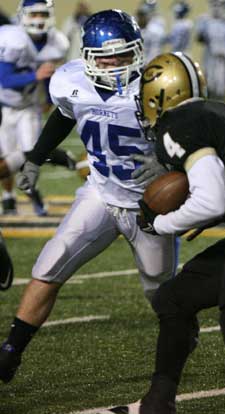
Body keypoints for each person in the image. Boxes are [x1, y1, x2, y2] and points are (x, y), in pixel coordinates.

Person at [0, 9, 178, 385]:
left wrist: (170, 168)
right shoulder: (70, 80)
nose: (114, 64)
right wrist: (34, 156)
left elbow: (193, 138)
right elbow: (65, 113)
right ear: (87, 56)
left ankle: (169, 372)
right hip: (98, 192)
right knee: (49, 265)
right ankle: (11, 350)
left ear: (139, 51)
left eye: (123, 55)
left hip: (150, 204)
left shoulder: (159, 84)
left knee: (164, 297)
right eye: (105, 56)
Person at [107, 51, 225, 414]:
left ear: (160, 94)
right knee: (173, 299)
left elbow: (212, 200)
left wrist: (160, 223)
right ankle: (157, 404)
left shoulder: (180, 121)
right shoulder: (219, 112)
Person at [0, 0, 75, 216]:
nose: (38, 19)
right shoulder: (12, 38)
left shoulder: (56, 42)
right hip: (5, 106)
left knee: (30, 153)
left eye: (42, 14)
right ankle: (8, 198)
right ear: (23, 15)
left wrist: (49, 100)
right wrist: (36, 75)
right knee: (8, 156)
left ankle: (33, 194)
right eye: (33, 15)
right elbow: (4, 79)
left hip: (29, 107)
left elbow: (48, 74)